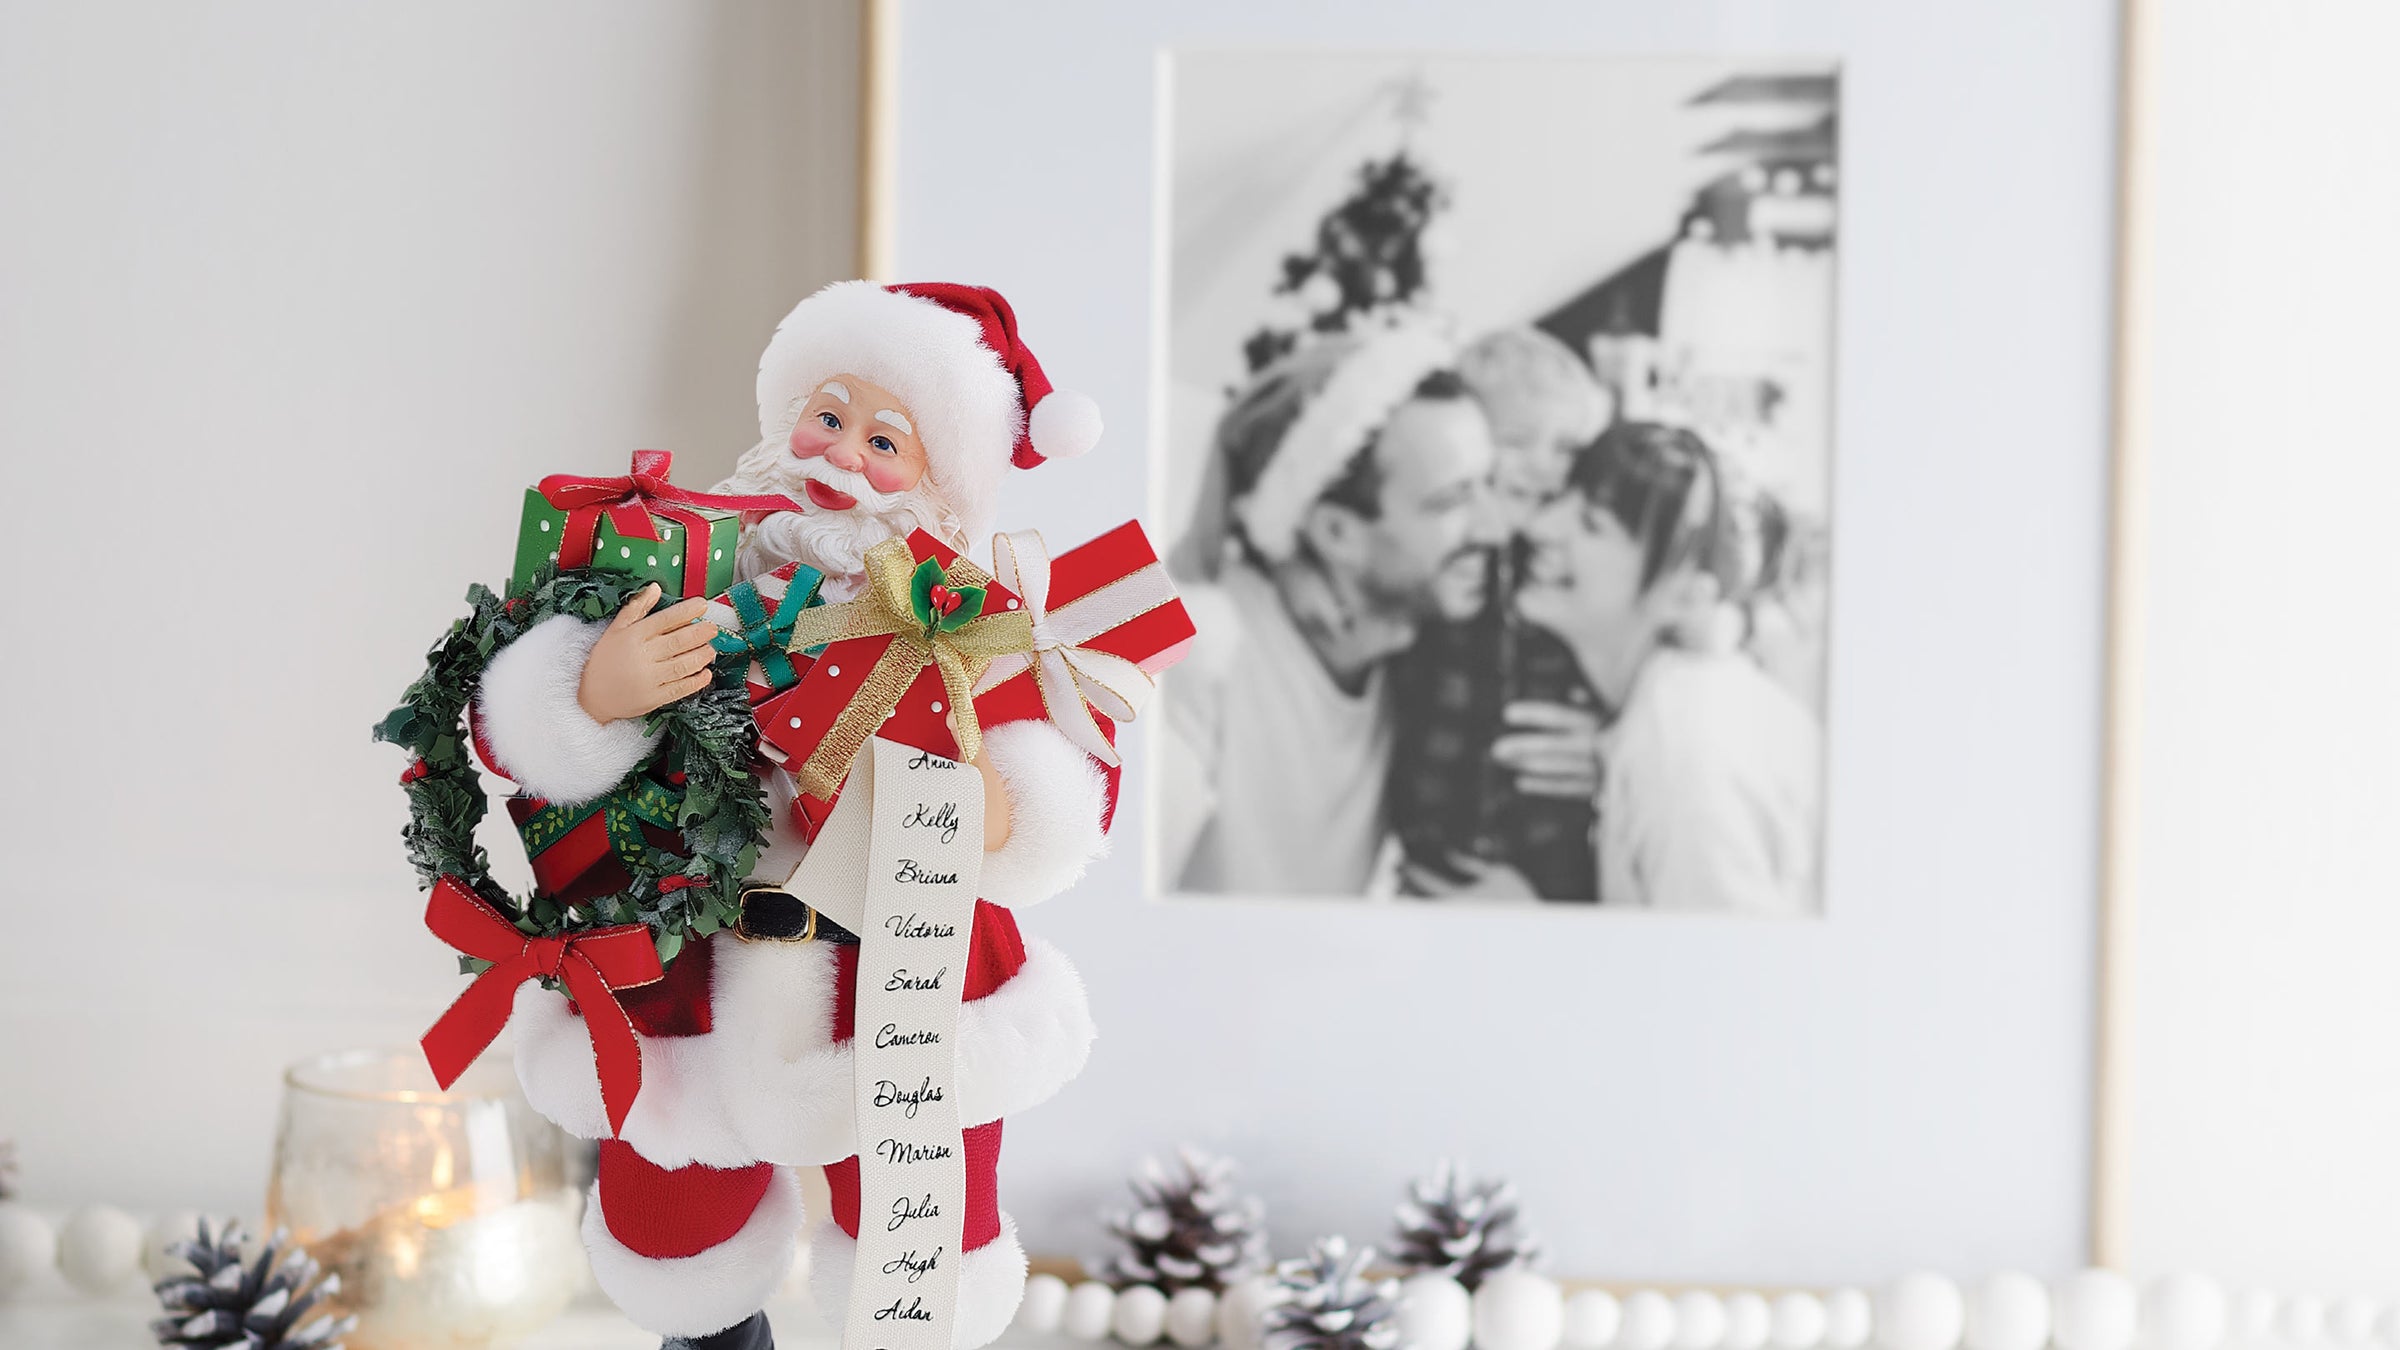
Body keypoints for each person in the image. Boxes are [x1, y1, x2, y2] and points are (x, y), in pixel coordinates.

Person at [472, 281, 1111, 1350]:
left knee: (919, 1241)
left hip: (899, 978)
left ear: (937, 481)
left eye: (884, 438)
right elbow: (519, 739)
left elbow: (1050, 793)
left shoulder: (969, 622)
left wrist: (986, 807)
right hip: (693, 957)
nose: (843, 454)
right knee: (674, 1229)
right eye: (829, 415)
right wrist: (594, 693)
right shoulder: (689, 568)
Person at [1417, 421, 1821, 914]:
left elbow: (1726, 981)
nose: (1539, 527)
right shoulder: (1663, 716)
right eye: (1559, 500)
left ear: (1685, 596)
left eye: (1591, 524)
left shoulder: (1681, 753)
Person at [1161, 325, 1501, 897]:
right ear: (1337, 532)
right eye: (1450, 501)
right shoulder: (1192, 652)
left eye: (1488, 484)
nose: (1496, 527)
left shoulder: (1419, 650)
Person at [1384, 327, 1613, 901]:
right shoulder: (1430, 560)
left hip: (1551, 855)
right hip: (1436, 856)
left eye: (1565, 448)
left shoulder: (1559, 560)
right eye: (1516, 440)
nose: (1544, 467)